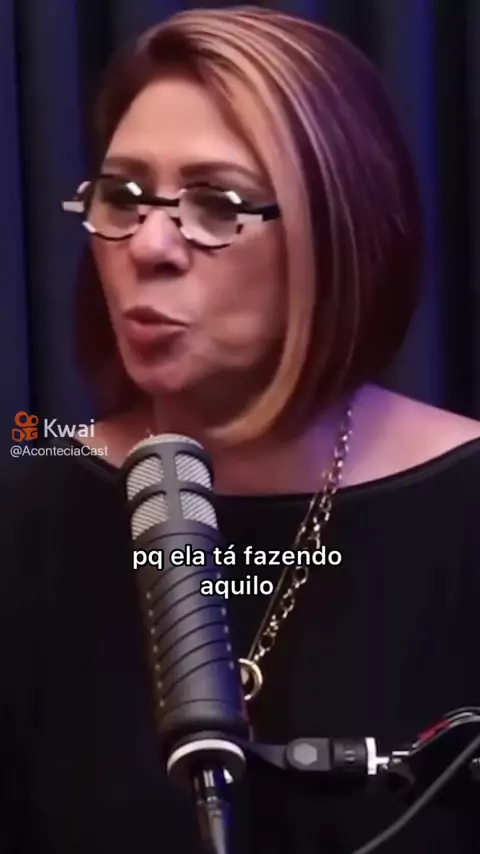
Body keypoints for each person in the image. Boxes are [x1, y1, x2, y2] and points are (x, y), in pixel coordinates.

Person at [2, 5, 480, 853]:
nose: (149, 245)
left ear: (340, 235)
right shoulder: (26, 512)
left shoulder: (463, 507)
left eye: (217, 206)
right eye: (122, 196)